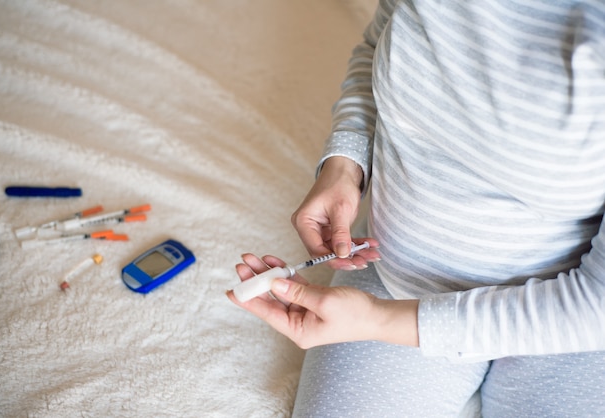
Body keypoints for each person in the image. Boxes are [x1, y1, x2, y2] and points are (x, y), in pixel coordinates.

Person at [227, 0, 605, 416]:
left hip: (568, 326)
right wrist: (345, 163)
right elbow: (378, 43)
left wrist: (376, 321)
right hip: (397, 276)